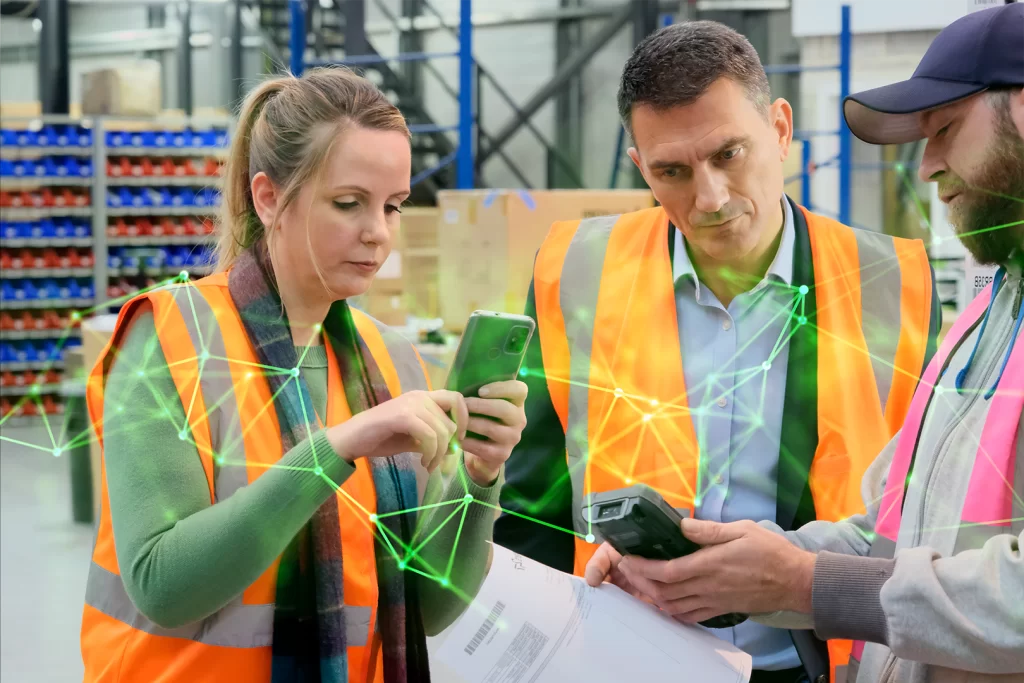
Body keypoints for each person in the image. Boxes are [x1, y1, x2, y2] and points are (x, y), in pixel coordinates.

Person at [584, 5, 1024, 683]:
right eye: (672, 170)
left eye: (946, 130)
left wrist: (808, 585)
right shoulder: (988, 313)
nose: (928, 164)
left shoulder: (901, 284)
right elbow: (893, 524)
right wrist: (726, 559)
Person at [494, 20, 941, 683]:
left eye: (729, 154)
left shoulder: (893, 284)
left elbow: (926, 507)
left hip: (823, 661)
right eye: (672, 170)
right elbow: (532, 507)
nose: (709, 198)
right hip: (623, 657)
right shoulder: (574, 272)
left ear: (781, 130)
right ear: (640, 164)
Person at [80, 67, 528, 683]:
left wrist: (478, 480)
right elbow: (163, 584)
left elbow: (427, 611)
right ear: (268, 198)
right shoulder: (168, 337)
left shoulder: (392, 359)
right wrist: (336, 449)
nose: (378, 233)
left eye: (394, 206)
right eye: (348, 203)